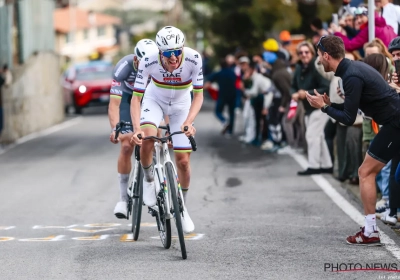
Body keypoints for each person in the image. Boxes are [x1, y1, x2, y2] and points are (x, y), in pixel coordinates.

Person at [307, 35, 400, 246]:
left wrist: (323, 107)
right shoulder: (351, 70)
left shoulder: (350, 76)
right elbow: (351, 109)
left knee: (365, 172)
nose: (320, 61)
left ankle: (370, 231)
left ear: (327, 55)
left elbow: (349, 119)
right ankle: (373, 227)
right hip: (395, 121)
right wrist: (330, 104)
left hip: (396, 123)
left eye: (320, 56)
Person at [130, 26, 203, 234]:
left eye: (177, 51)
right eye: (168, 53)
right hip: (155, 100)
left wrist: (189, 122)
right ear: (160, 52)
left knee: (183, 161)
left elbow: (198, 96)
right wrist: (137, 129)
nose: (174, 57)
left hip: (181, 105)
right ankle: (149, 179)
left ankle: (182, 208)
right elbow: (136, 98)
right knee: (147, 139)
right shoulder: (148, 61)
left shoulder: (194, 59)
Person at [108, 39, 159, 219]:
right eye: (140, 61)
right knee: (126, 144)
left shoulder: (158, 66)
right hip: (129, 100)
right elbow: (114, 104)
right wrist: (116, 128)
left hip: (150, 99)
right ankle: (123, 199)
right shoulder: (124, 67)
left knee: (156, 137)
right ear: (135, 59)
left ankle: (156, 184)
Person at [291, 41, 331, 175]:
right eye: (301, 53)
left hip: (320, 106)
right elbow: (292, 85)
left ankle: (314, 166)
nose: (304, 55)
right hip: (307, 107)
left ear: (312, 53)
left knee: (312, 135)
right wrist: (294, 93)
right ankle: (326, 164)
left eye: (306, 52)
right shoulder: (298, 68)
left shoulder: (317, 66)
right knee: (318, 136)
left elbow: (326, 86)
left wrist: (306, 92)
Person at [204, 58, 237, 137]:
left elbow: (208, 84)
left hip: (222, 95)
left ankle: (224, 121)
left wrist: (199, 90)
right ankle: (230, 131)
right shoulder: (233, 73)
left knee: (218, 111)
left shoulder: (219, 73)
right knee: (231, 113)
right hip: (233, 94)